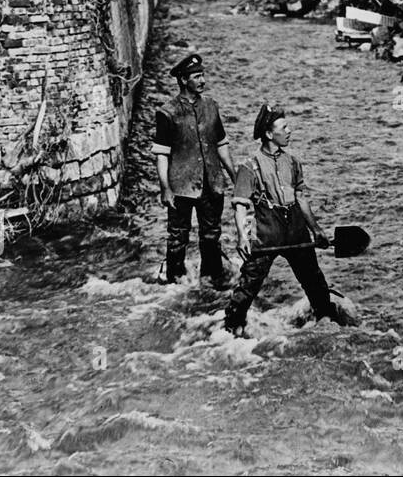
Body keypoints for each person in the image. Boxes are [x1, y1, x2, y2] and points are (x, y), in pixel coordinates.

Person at [223, 103, 359, 336]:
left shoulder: (293, 162)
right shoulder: (249, 166)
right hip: (267, 234)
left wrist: (316, 230)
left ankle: (326, 323)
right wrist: (243, 237)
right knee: (249, 286)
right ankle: (230, 330)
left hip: (296, 231)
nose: (289, 131)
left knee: (315, 283)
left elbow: (301, 199)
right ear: (268, 134)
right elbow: (240, 206)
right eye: (284, 127)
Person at [152, 52, 238, 286]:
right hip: (181, 187)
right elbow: (162, 155)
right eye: (197, 77)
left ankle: (212, 280)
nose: (202, 81)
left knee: (211, 235)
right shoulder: (167, 112)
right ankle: (175, 281)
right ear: (183, 80)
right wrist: (165, 188)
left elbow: (222, 146)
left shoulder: (211, 107)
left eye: (202, 76)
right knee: (178, 237)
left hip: (211, 183)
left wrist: (235, 177)